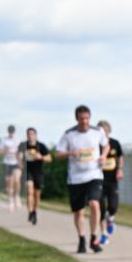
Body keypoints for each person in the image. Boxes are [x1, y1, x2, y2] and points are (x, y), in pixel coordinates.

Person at [55, 105, 108, 253]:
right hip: (76, 178)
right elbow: (57, 154)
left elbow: (106, 145)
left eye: (86, 118)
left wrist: (104, 156)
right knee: (79, 211)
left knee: (94, 204)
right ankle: (82, 239)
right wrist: (71, 153)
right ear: (76, 119)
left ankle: (94, 238)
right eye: (81, 118)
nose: (84, 121)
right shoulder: (69, 134)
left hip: (94, 175)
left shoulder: (98, 131)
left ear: (90, 118)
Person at [96, 120, 123, 245]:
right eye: (100, 131)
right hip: (98, 179)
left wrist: (120, 169)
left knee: (113, 206)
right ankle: (104, 234)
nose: (103, 133)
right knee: (100, 207)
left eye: (105, 130)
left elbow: (120, 157)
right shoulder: (94, 144)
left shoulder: (115, 143)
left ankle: (110, 218)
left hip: (112, 179)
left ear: (109, 131)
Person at [19, 127, 51, 225]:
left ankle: (34, 211)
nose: (30, 136)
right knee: (29, 191)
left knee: (37, 195)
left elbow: (49, 158)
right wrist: (20, 161)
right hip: (27, 171)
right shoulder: (23, 145)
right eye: (28, 134)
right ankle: (30, 211)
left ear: (35, 135)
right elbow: (19, 155)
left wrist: (41, 157)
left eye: (32, 134)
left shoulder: (41, 146)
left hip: (38, 172)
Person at [0, 124, 22, 211]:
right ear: (8, 132)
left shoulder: (18, 140)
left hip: (16, 162)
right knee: (9, 182)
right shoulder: (3, 140)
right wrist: (5, 150)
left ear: (14, 132)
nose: (11, 133)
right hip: (7, 163)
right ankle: (10, 201)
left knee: (17, 180)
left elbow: (21, 152)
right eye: (10, 132)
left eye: (12, 132)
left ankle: (17, 196)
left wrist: (20, 161)